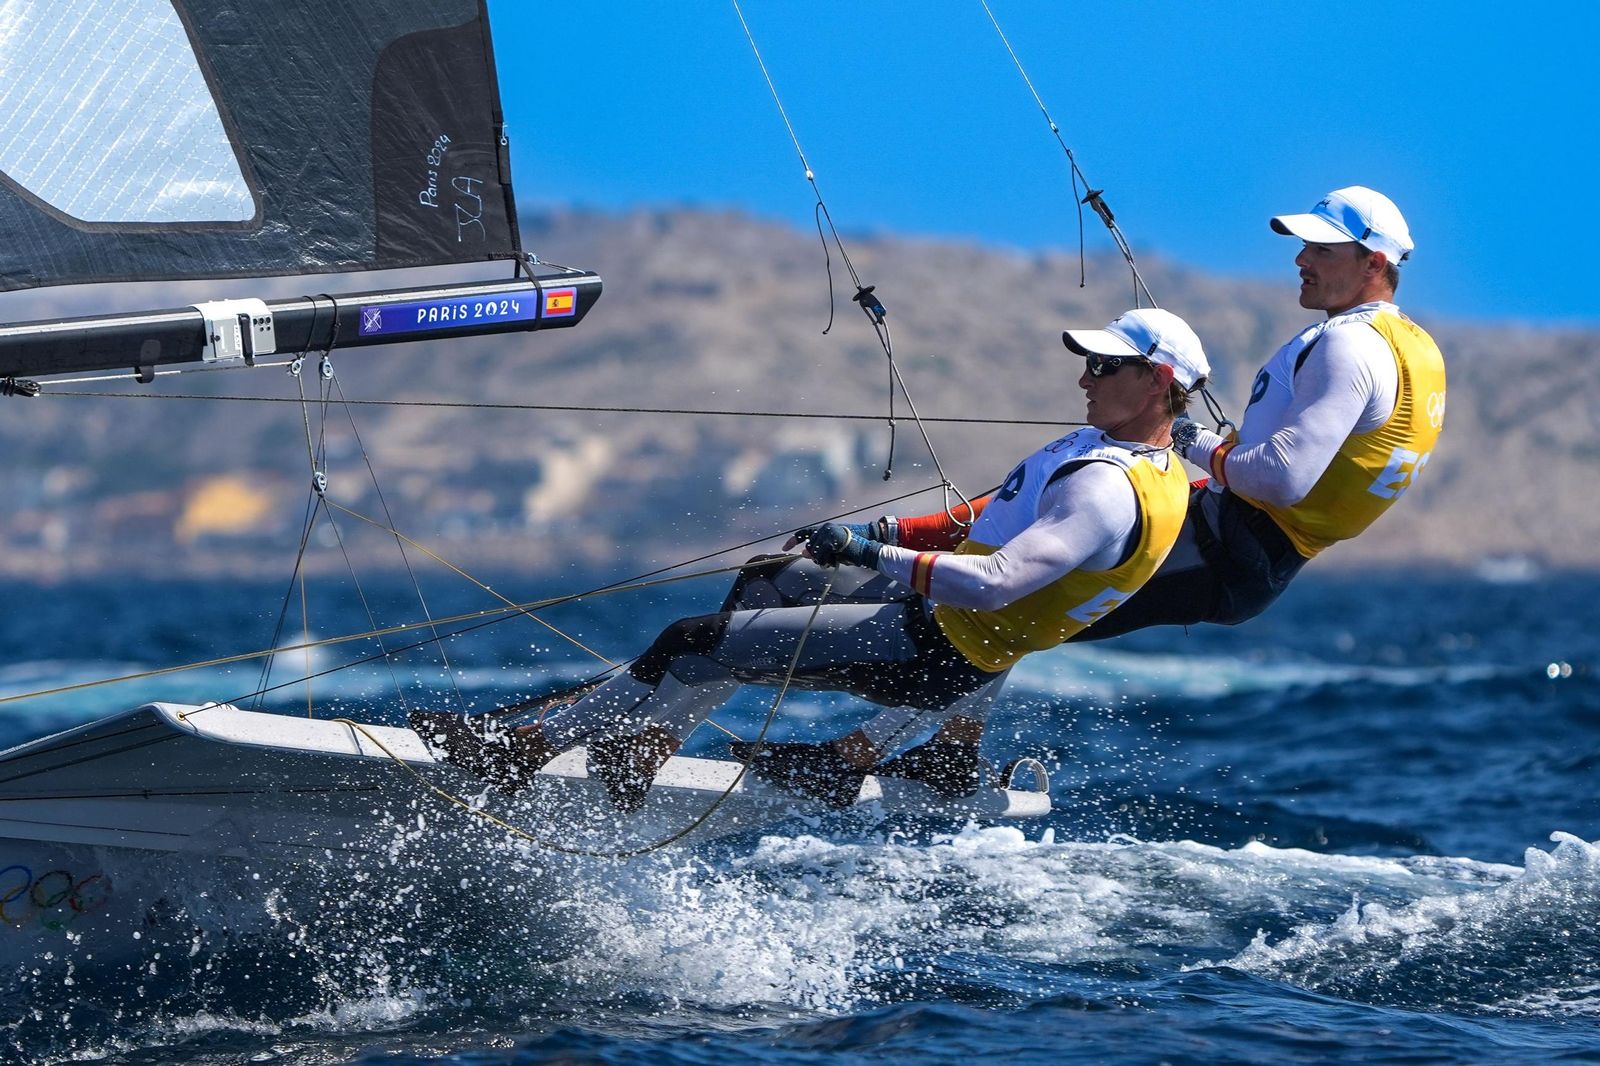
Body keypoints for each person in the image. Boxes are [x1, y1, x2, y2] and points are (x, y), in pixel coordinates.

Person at [413, 308, 1211, 810]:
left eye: (1105, 367)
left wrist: (867, 554)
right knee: (771, 582)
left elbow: (999, 582)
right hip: (925, 614)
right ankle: (642, 748)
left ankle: (522, 752)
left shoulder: (1109, 491)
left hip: (935, 652)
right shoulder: (1115, 449)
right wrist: (895, 531)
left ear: (1158, 382)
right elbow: (995, 515)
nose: (1085, 375)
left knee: (688, 641)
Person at [812, 185, 1448, 793]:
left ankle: (865, 753)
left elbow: (1281, 478)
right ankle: (949, 749)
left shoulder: (1350, 347)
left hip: (1230, 545)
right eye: (1304, 245)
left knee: (1012, 595)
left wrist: (1199, 444)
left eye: (1322, 250)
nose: (1301, 260)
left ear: (1375, 260)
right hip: (1243, 544)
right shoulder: (1416, 349)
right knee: (1031, 562)